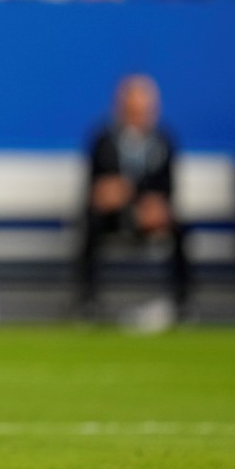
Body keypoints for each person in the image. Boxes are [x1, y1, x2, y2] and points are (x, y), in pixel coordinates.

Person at [76, 74, 191, 322]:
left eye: (143, 110)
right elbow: (95, 187)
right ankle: (88, 302)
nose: (138, 115)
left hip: (150, 213)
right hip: (112, 215)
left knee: (180, 228)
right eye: (132, 109)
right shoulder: (103, 140)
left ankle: (182, 303)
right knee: (90, 223)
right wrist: (109, 195)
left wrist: (148, 202)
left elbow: (167, 188)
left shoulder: (164, 141)